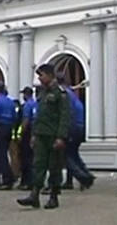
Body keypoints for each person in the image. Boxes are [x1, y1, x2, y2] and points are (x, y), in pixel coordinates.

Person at [17, 63, 70, 210]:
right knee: (38, 165)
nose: (39, 78)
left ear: (50, 75)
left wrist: (61, 137)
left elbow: (64, 117)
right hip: (41, 135)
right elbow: (38, 116)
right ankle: (34, 195)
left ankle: (53, 196)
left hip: (53, 136)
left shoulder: (60, 93)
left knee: (54, 167)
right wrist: (34, 134)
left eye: (41, 75)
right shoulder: (42, 93)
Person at [59, 76, 93, 190]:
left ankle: (83, 177)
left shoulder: (65, 95)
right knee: (73, 154)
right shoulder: (71, 94)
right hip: (79, 127)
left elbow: (68, 113)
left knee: (67, 155)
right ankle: (83, 175)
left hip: (72, 127)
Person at [0, 82, 17, 190]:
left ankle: (8, 179)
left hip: (1, 127)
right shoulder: (10, 102)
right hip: (9, 128)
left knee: (1, 155)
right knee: (0, 154)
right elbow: (15, 117)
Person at [17, 86, 36, 190]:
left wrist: (20, 134)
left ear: (25, 94)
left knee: (25, 158)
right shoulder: (36, 104)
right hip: (35, 132)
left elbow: (25, 121)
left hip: (27, 133)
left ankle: (27, 182)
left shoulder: (27, 105)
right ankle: (32, 181)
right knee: (32, 158)